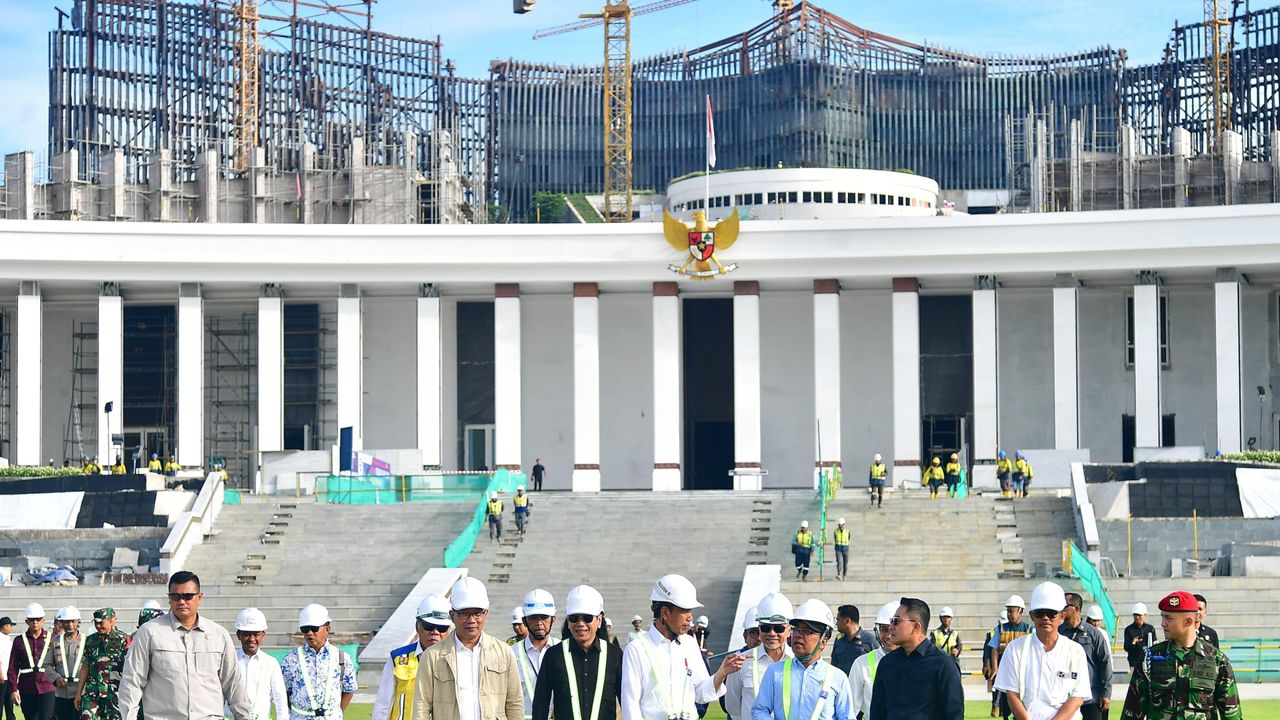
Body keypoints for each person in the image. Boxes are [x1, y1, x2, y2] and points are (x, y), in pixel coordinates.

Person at [117, 571, 252, 720]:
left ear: (199, 597)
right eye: (176, 596)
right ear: (169, 599)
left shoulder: (219, 635)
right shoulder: (149, 633)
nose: (181, 601)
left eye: (188, 596)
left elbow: (234, 685)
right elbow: (132, 682)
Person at [621, 574, 742, 720]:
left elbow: (701, 693)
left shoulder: (689, 643)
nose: (690, 617)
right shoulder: (636, 649)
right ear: (665, 612)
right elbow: (631, 707)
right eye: (685, 610)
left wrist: (722, 672)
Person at [412, 576, 523, 720]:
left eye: (477, 613)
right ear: (452, 615)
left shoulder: (503, 652)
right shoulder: (433, 656)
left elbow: (514, 703)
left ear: (486, 614)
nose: (472, 620)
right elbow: (421, 706)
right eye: (464, 613)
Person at [1120, 591, 1241, 720]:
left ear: (1188, 621)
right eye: (1163, 617)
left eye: (1168, 618)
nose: (1162, 623)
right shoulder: (1149, 659)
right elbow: (1131, 713)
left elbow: (1231, 714)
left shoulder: (1217, 661)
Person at [992, 582, 1090, 720]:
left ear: (1062, 616)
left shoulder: (1075, 651)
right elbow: (1012, 694)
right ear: (1032, 616)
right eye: (1040, 613)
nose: (1045, 618)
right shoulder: (1015, 649)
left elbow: (1078, 696)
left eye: (1051, 614)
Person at [750, 599, 851, 720]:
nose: (798, 635)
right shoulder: (774, 672)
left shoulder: (838, 678)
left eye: (807, 631)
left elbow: (847, 717)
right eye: (796, 629)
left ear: (823, 642)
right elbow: (759, 710)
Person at [532, 585, 622, 720]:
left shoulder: (614, 655)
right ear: (568, 622)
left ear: (599, 620)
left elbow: (626, 701)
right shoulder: (553, 655)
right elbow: (541, 704)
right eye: (574, 618)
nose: (580, 623)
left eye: (587, 618)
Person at [868, 598, 963, 720]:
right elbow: (877, 712)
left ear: (916, 627)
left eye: (896, 621)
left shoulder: (944, 665)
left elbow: (954, 714)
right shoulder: (887, 663)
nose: (891, 627)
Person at [372, 595, 452, 720]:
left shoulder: (457, 659)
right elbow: (383, 705)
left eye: (442, 627)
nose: (435, 632)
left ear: (449, 630)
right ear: (417, 626)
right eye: (429, 626)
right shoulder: (397, 659)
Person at [280, 604, 357, 720]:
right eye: (305, 629)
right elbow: (285, 692)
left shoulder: (342, 658)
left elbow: (349, 690)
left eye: (315, 628)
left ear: (327, 629)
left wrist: (334, 712)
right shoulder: (291, 659)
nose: (310, 633)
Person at [726, 595, 791, 720]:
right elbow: (732, 707)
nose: (772, 634)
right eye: (765, 628)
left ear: (789, 630)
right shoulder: (741, 661)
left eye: (779, 628)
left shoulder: (797, 662)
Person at [1060, 593, 1113, 720]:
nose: (1061, 609)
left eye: (1065, 606)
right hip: (1064, 697)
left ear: (1077, 609)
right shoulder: (1058, 633)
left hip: (1091, 696)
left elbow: (1105, 663)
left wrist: (1106, 693)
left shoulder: (1094, 634)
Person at [230, 608, 288, 720]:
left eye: (256, 634)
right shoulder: (231, 661)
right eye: (247, 634)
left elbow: (279, 698)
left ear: (263, 635)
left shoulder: (271, 663)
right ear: (238, 635)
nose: (252, 639)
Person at [74, 608, 130, 720]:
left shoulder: (123, 640)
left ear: (112, 621)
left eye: (101, 622)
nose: (98, 626)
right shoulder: (90, 641)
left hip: (114, 693)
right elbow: (85, 666)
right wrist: (78, 693)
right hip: (93, 691)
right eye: (96, 622)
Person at [847, 602, 898, 720]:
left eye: (892, 630)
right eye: (884, 629)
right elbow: (850, 710)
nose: (888, 636)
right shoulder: (861, 664)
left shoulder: (913, 662)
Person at [515, 589, 560, 720]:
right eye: (533, 618)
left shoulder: (564, 650)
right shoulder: (511, 653)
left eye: (544, 617)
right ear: (524, 620)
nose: (539, 623)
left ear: (553, 619)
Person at [988, 595, 1033, 720]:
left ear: (1020, 612)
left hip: (1023, 674)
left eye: (1011, 611)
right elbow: (994, 649)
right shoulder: (1001, 628)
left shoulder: (1029, 629)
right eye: (1008, 611)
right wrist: (995, 668)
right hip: (1006, 672)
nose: (1008, 614)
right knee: (1005, 704)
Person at [7, 603, 54, 720]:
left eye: (38, 619)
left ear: (43, 620)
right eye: (32, 619)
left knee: (47, 717)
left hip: (48, 686)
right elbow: (12, 667)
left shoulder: (52, 638)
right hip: (26, 687)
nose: (35, 622)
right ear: (27, 621)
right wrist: (13, 690)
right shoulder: (19, 640)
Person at [45, 606, 84, 720]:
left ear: (78, 622)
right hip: (62, 692)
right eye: (66, 622)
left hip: (81, 692)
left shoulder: (87, 641)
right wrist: (56, 678)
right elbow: (47, 664)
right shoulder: (56, 641)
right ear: (62, 623)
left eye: (73, 621)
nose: (70, 625)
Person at [831, 606, 877, 675]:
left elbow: (878, 665)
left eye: (838, 620)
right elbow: (834, 665)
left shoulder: (870, 640)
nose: (836, 623)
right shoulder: (838, 640)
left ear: (847, 621)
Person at [1122, 603, 1156, 680]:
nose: (1137, 617)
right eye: (1135, 615)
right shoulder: (1128, 630)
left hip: (1148, 661)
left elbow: (1154, 644)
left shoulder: (1150, 629)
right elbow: (1126, 647)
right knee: (1136, 684)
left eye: (1140, 615)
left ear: (1145, 615)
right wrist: (1133, 643)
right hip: (1134, 662)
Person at [983, 612, 1007, 718]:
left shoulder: (1012, 631)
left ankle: (1003, 709)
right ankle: (996, 708)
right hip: (995, 664)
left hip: (1007, 664)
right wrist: (986, 665)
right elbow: (987, 651)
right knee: (996, 689)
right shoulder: (992, 633)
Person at [0, 616, 14, 720]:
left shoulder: (7, 639)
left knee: (9, 701)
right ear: (5, 626)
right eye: (10, 625)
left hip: (8, 676)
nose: (11, 628)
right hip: (2, 676)